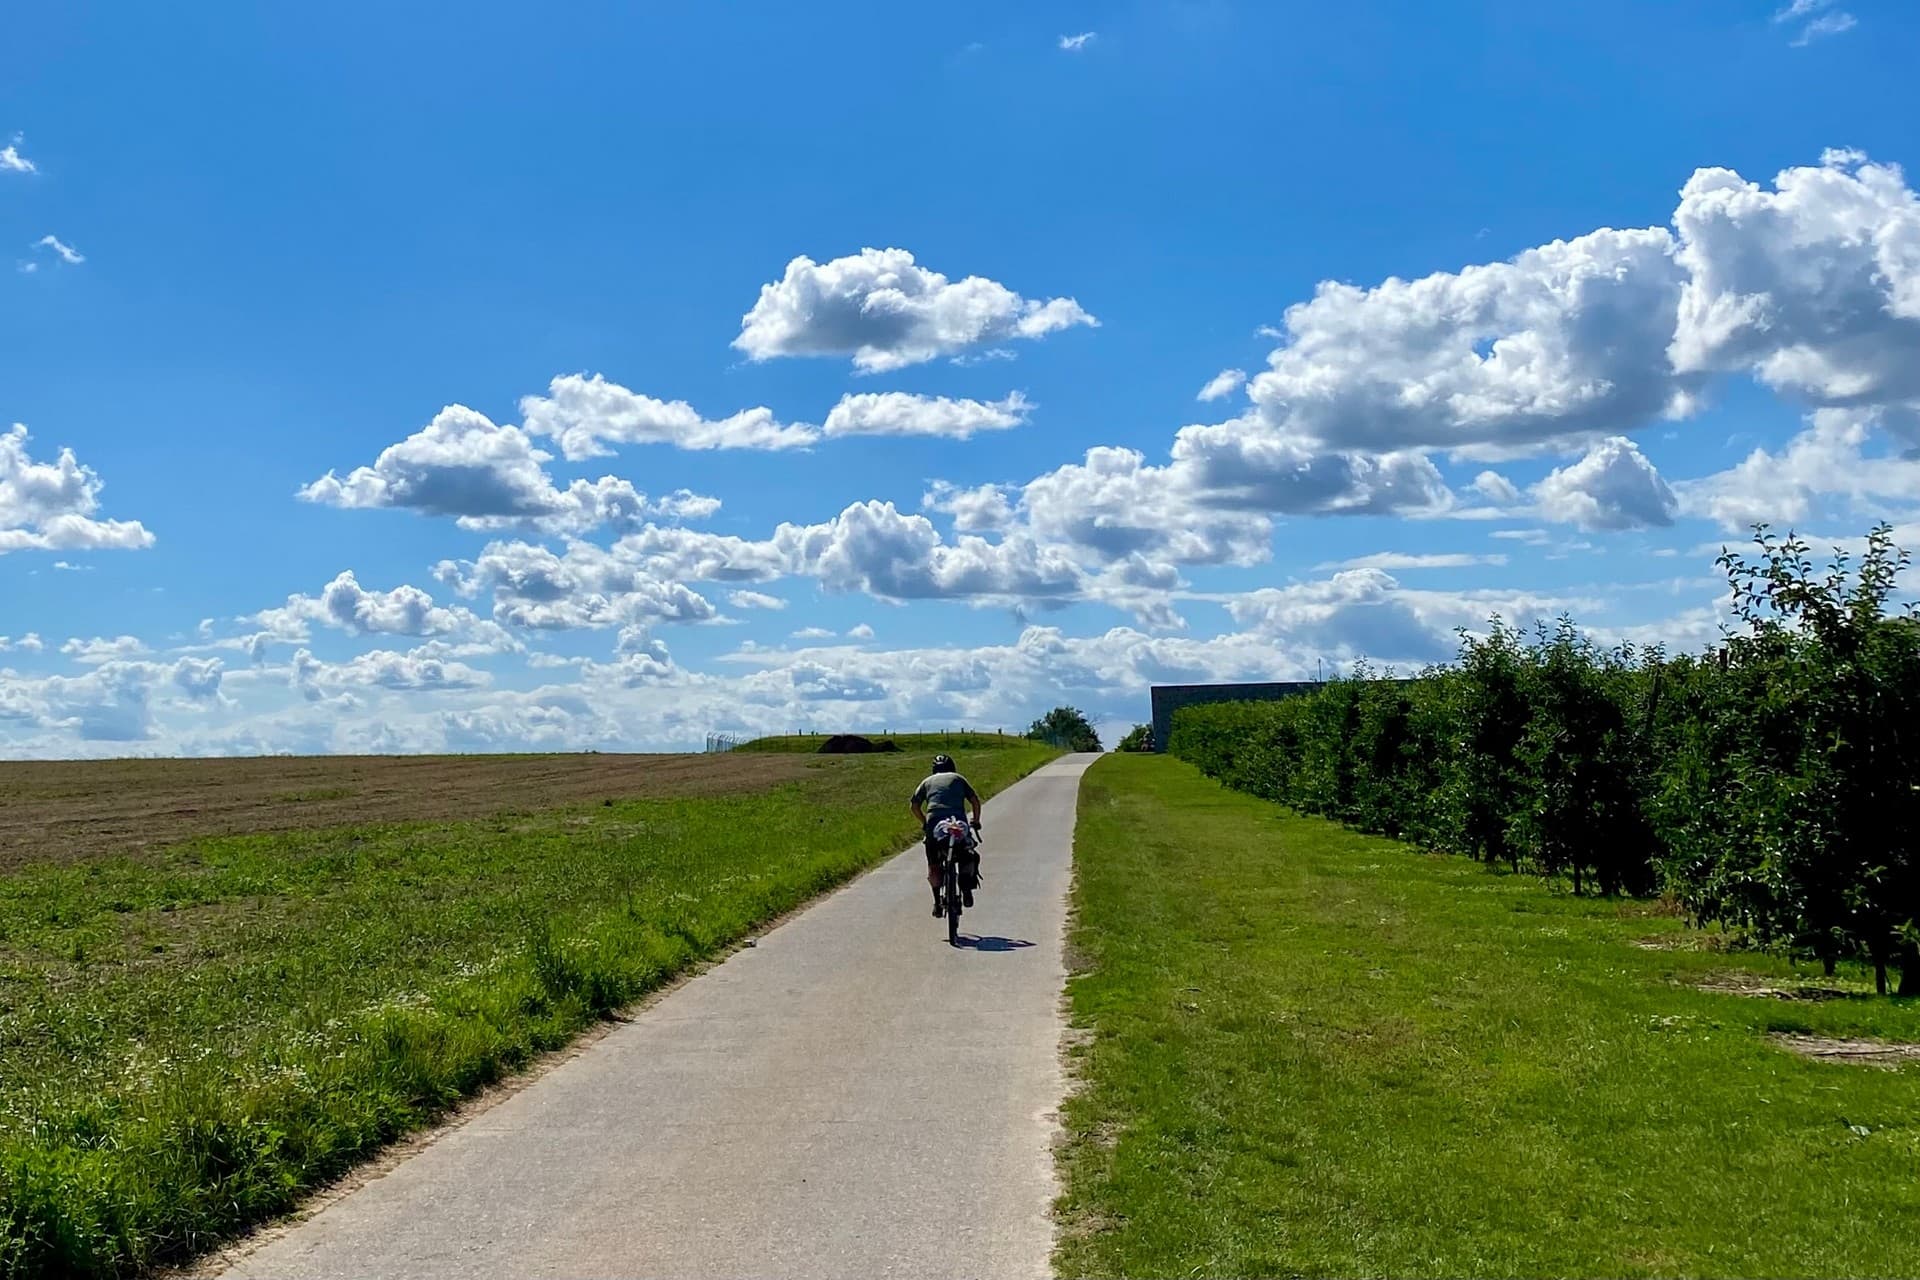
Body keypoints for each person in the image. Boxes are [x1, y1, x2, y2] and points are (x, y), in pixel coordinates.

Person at [910, 753, 982, 917]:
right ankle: (966, 889)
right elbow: (975, 800)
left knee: (933, 864)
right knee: (968, 853)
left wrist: (925, 822)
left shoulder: (926, 782)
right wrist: (976, 820)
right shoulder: (958, 778)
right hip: (957, 823)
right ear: (952, 767)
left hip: (934, 824)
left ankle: (937, 902)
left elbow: (914, 806)